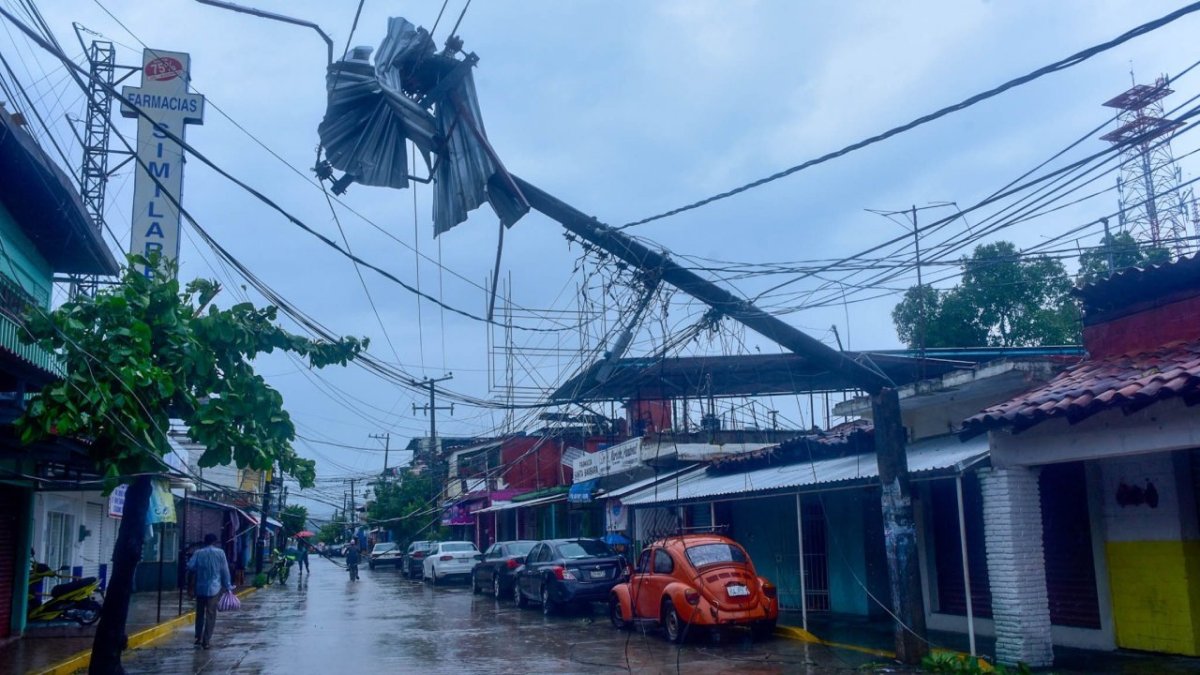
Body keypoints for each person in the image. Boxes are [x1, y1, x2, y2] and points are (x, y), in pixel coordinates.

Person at [186, 533, 232, 650]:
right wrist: (228, 586)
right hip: (214, 588)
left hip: (200, 587)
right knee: (211, 614)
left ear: (205, 542)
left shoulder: (198, 553)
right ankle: (206, 641)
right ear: (215, 542)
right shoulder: (220, 553)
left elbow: (190, 566)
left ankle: (198, 637)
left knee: (200, 613)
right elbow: (225, 571)